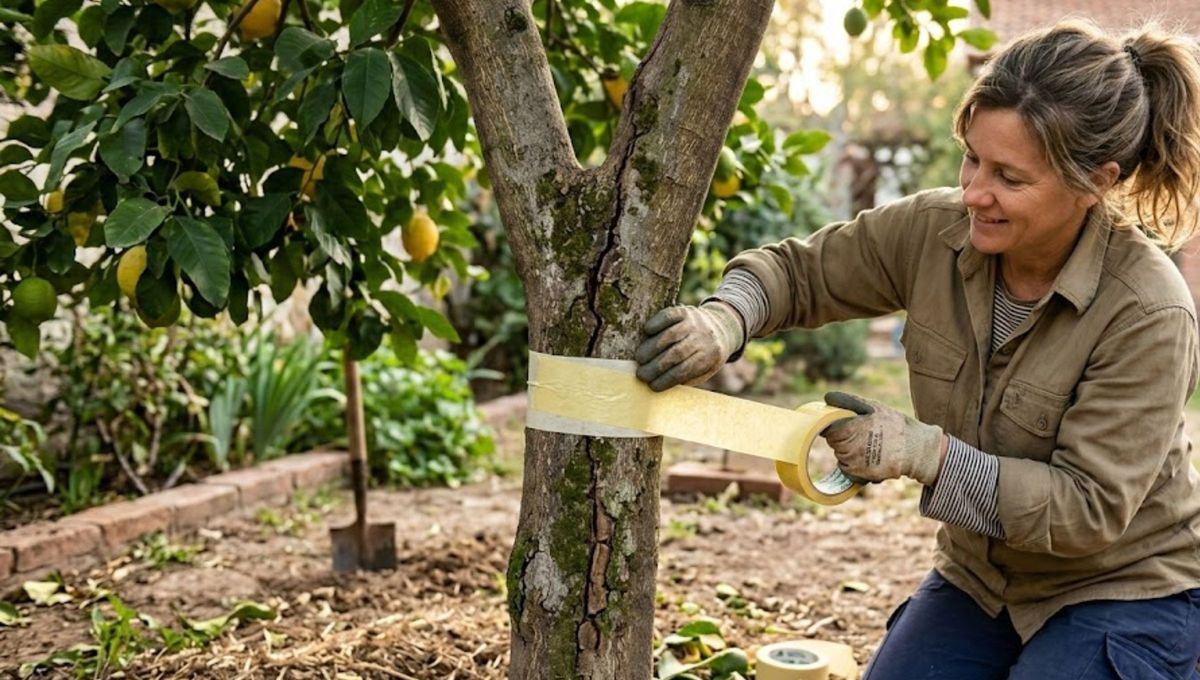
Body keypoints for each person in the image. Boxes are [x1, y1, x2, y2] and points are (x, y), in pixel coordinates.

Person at [635, 20, 1200, 679]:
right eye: (972, 158)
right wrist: (724, 321)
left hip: (1128, 587)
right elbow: (798, 273)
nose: (973, 193)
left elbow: (1088, 510)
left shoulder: (1147, 311)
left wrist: (925, 454)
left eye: (1009, 179)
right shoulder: (935, 231)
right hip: (984, 582)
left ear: (1095, 183)